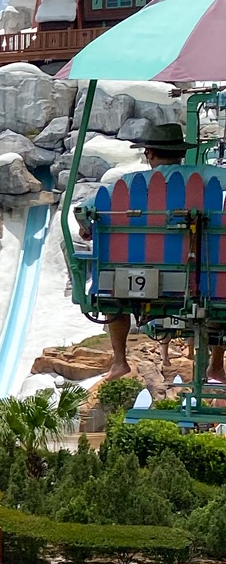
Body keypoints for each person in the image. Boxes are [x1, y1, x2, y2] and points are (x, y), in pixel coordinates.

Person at [76, 123, 189, 379]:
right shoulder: (205, 180)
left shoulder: (124, 185)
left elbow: (83, 212)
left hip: (126, 274)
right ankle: (215, 362)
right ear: (180, 153)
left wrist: (87, 229)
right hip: (194, 276)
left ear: (149, 153)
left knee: (112, 294)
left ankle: (119, 359)